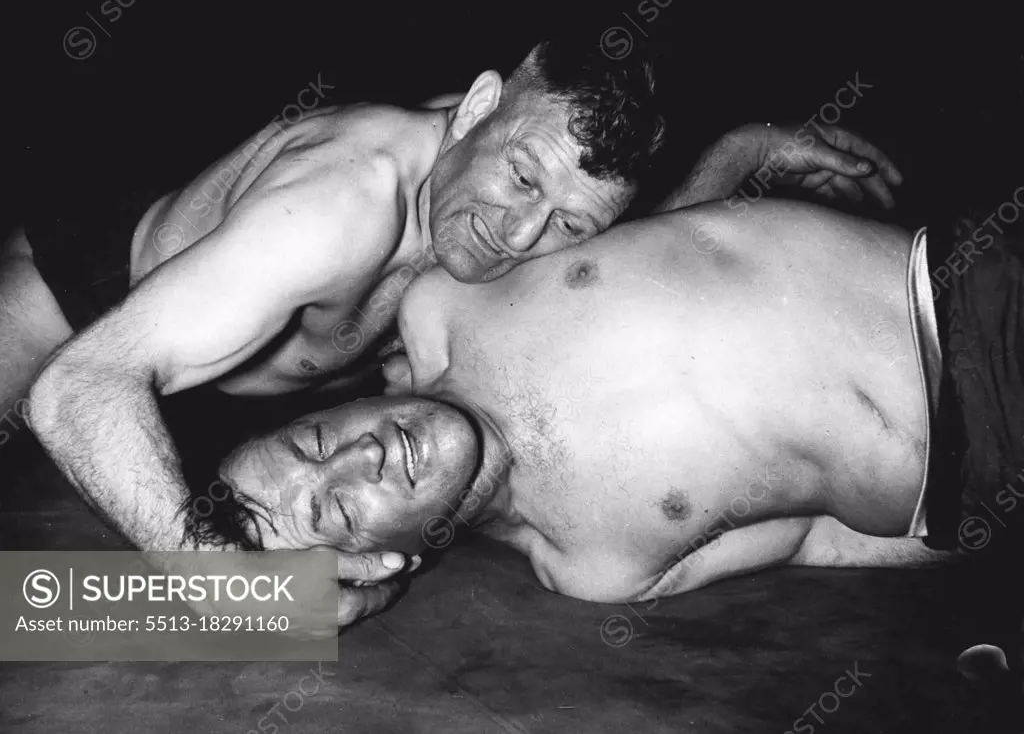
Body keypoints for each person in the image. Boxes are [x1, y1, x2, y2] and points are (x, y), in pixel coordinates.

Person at [204, 195, 1021, 611]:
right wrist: (965, 531)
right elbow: (812, 540)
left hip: (964, 291)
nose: (361, 456)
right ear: (382, 561)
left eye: (314, 441)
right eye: (340, 510)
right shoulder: (591, 567)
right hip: (982, 475)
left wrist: (742, 152)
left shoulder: (450, 298)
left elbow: (639, 213)